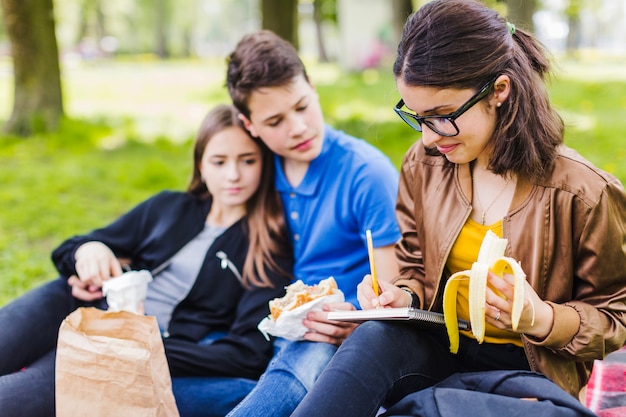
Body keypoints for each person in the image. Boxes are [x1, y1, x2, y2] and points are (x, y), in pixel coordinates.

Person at [290, 1, 626, 416]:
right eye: (417, 117)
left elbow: (615, 317)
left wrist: (539, 317)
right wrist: (401, 294)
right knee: (372, 338)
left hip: (530, 373)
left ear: (499, 91)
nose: (429, 139)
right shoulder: (424, 164)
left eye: (442, 116)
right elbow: (415, 266)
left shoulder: (584, 192)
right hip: (438, 349)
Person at [0, 104, 293, 417]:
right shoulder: (169, 207)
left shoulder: (267, 247)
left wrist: (144, 344)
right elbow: (70, 249)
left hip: (127, 349)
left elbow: (247, 353)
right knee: (50, 297)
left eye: (247, 161)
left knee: (31, 388)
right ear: (201, 166)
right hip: (86, 307)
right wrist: (89, 251)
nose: (233, 174)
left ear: (265, 164)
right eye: (219, 162)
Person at [223, 30, 402, 417]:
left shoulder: (366, 173)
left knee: (298, 367)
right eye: (275, 121)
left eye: (302, 106)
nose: (298, 128)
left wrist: (357, 323)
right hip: (266, 334)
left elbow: (393, 291)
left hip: (336, 335)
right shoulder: (256, 169)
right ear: (248, 123)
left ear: (314, 89)